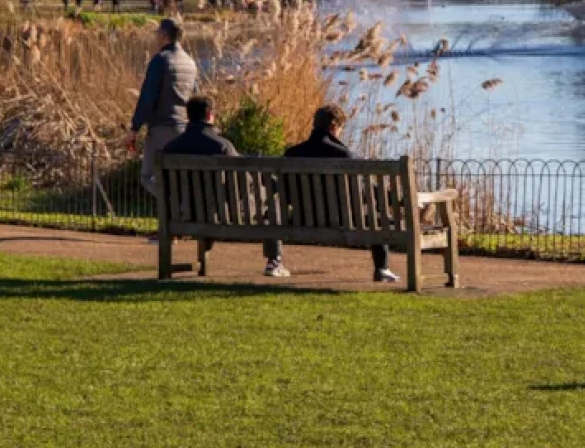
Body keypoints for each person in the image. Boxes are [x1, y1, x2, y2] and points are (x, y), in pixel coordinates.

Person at [161, 97, 291, 278]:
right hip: (221, 215)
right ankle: (274, 261)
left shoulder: (170, 149)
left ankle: (193, 253)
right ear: (209, 115)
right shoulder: (221, 146)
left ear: (188, 115)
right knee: (271, 200)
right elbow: (240, 184)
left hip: (185, 213)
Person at [284, 105, 401, 283]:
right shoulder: (344, 155)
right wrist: (395, 199)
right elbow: (362, 192)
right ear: (334, 127)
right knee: (380, 218)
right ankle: (381, 268)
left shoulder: (291, 154)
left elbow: (285, 192)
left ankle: (274, 261)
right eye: (340, 128)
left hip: (301, 219)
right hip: (343, 220)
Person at [128, 18, 199, 206]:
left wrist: (134, 128)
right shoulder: (190, 63)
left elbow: (148, 98)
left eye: (158, 34)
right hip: (184, 128)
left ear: (164, 36)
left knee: (148, 176)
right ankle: (178, 217)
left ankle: (172, 210)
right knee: (176, 177)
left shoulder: (161, 61)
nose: (156, 37)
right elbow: (196, 96)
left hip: (161, 127)